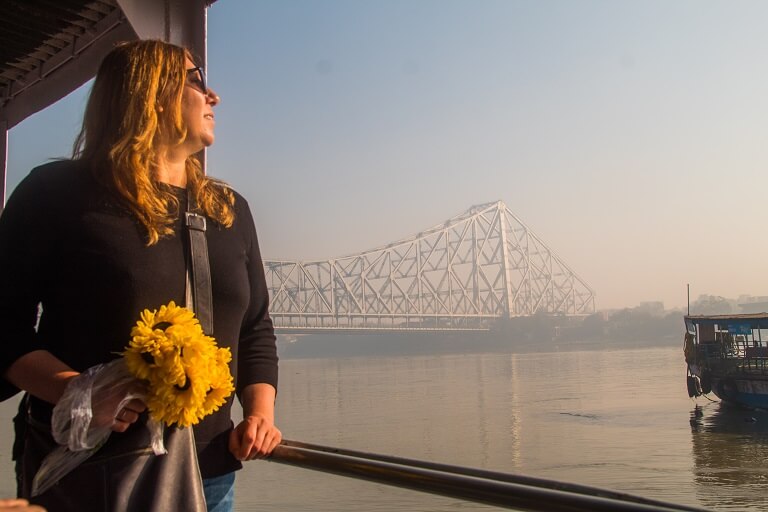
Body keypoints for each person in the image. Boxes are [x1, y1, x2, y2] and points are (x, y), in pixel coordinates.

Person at [0, 40, 281, 511]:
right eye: (198, 80)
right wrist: (80, 391)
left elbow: (255, 329)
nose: (214, 97)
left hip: (209, 473)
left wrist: (259, 415)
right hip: (91, 471)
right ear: (150, 91)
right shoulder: (55, 195)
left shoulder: (230, 210)